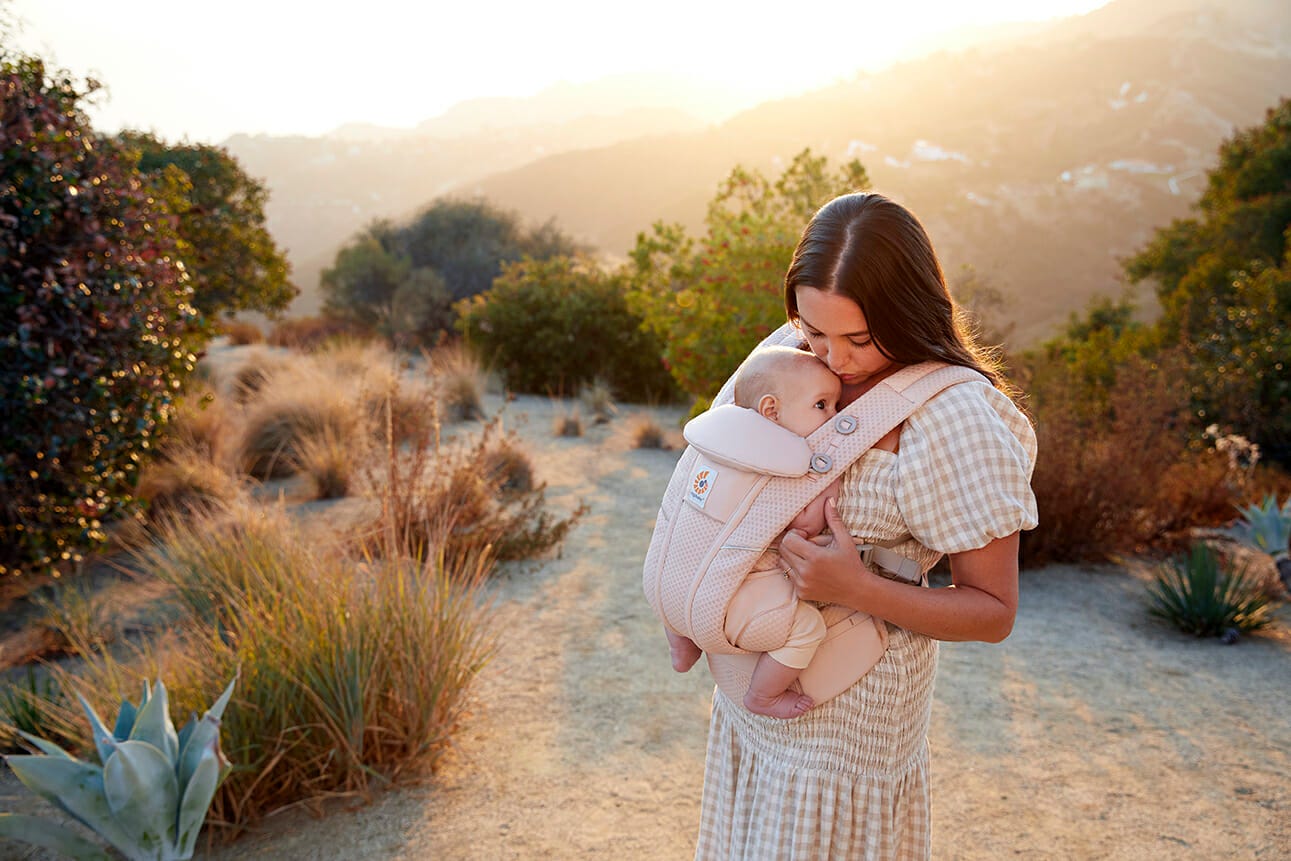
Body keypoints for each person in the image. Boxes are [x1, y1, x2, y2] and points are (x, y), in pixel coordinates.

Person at [693, 192, 1038, 860]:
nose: (833, 358)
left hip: (849, 724)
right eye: (814, 329)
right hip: (754, 696)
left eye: (857, 337)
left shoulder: (954, 415)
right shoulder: (788, 355)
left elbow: (993, 612)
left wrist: (854, 587)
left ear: (908, 311)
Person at [664, 345, 842, 719]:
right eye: (823, 405)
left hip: (665, 585)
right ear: (771, 411)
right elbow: (806, 526)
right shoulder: (786, 463)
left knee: (678, 572)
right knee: (807, 627)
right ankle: (763, 695)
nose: (836, 415)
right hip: (728, 601)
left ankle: (681, 645)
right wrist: (829, 486)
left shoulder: (713, 441)